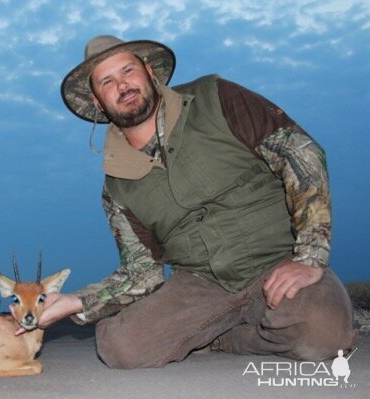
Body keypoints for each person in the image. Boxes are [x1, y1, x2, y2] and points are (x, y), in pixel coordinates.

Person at [35, 35, 356, 368]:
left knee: (321, 335)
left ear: (148, 71)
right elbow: (141, 273)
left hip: (277, 260)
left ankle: (237, 335)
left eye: (128, 70)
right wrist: (75, 301)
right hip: (199, 285)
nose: (123, 85)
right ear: (99, 103)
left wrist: (309, 256)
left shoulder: (216, 97)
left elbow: (299, 154)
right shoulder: (115, 188)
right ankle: (221, 336)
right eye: (107, 81)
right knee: (120, 349)